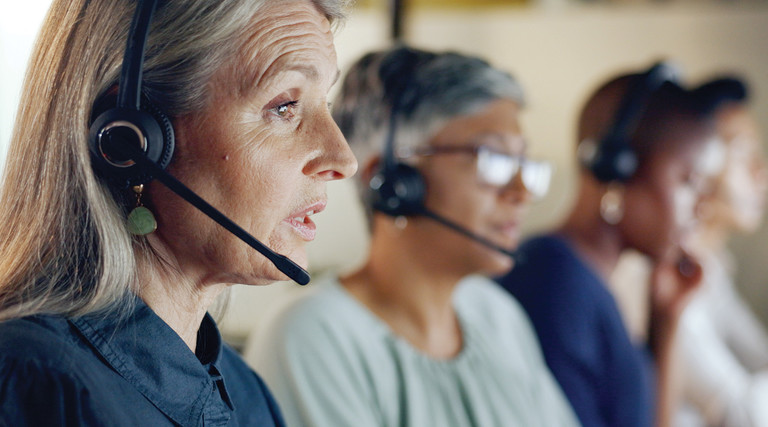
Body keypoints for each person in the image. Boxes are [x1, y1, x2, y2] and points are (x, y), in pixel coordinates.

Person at [0, 0, 357, 425]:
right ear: (128, 143)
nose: (343, 158)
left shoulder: (248, 393)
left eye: (326, 105)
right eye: (284, 106)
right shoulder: (35, 383)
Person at [244, 45, 579, 427]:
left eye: (523, 163)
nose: (522, 190)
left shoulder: (496, 317)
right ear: (391, 183)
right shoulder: (314, 334)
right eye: (496, 159)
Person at [496, 63, 729, 427]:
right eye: (689, 181)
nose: (702, 207)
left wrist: (666, 320)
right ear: (617, 167)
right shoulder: (555, 289)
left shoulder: (585, 279)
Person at [676, 78, 768, 426]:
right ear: (698, 165)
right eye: (744, 154)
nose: (762, 173)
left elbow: (758, 356)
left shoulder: (712, 266)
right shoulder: (669, 274)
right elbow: (742, 415)